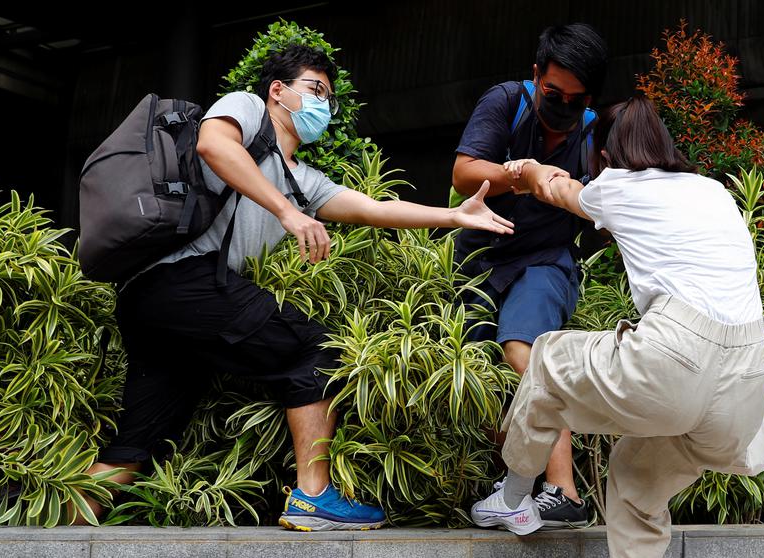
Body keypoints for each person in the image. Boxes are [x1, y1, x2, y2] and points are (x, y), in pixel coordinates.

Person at [80, 45, 513, 531]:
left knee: (136, 441)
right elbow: (213, 146)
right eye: (315, 89)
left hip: (154, 302)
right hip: (182, 279)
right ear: (278, 91)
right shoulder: (246, 107)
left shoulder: (301, 181)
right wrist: (287, 213)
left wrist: (454, 214)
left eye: (329, 97)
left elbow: (373, 209)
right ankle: (313, 495)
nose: (323, 105)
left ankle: (59, 529)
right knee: (316, 349)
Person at [470, 95, 764, 558]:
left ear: (607, 153)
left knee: (550, 358)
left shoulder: (617, 186)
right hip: (746, 386)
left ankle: (512, 499)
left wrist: (529, 169)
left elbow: (556, 192)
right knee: (636, 475)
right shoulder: (715, 191)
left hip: (678, 356)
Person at [452, 23, 608, 528]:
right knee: (480, 374)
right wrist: (525, 173)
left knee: (526, 351)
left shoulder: (594, 132)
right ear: (536, 74)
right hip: (479, 259)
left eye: (575, 98)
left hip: (546, 261)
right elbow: (464, 174)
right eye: (553, 93)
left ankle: (563, 491)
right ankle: (512, 489)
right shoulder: (504, 103)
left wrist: (568, 185)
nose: (563, 105)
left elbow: (607, 204)